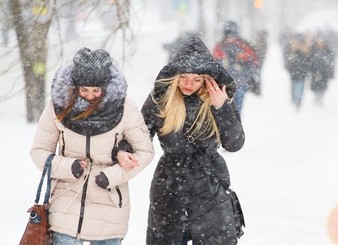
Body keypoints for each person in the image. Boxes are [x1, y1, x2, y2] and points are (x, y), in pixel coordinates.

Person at [30, 47, 155, 244]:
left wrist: (111, 175)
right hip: (65, 203)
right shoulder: (58, 107)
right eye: (84, 90)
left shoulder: (125, 107)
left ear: (106, 87)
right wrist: (68, 167)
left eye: (96, 90)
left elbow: (145, 151)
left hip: (110, 205)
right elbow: (39, 151)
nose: (90, 96)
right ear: (75, 86)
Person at [138, 36, 245, 244]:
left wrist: (221, 108)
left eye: (197, 79)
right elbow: (140, 138)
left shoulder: (218, 100)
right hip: (169, 188)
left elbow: (234, 144)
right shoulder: (160, 99)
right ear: (175, 75)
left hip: (210, 190)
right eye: (184, 77)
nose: (189, 84)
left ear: (207, 79)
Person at [213, 21, 259, 115]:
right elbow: (214, 61)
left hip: (240, 83)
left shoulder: (243, 45)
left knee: (237, 109)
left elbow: (253, 61)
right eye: (228, 35)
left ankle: (235, 126)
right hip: (224, 85)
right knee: (225, 111)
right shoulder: (220, 46)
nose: (230, 38)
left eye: (232, 35)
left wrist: (241, 62)